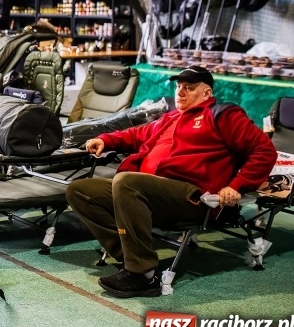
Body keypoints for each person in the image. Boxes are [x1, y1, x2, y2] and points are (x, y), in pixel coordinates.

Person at [65, 65, 277, 298]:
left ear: (206, 93)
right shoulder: (172, 117)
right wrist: (106, 139)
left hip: (194, 198)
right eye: (178, 86)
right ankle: (131, 257)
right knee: (80, 190)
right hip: (152, 192)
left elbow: (264, 151)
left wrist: (237, 185)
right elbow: (137, 134)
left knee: (126, 182)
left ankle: (142, 275)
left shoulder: (223, 115)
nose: (180, 92)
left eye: (189, 87)